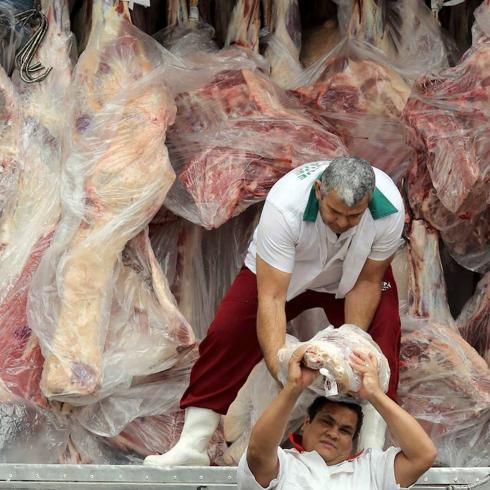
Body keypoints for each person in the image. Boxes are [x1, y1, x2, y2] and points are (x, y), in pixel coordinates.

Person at [144, 156, 405, 466]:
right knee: (228, 331)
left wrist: (351, 344)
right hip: (281, 274)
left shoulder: (390, 209)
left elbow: (368, 282)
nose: (343, 222)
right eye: (335, 212)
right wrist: (281, 368)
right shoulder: (285, 206)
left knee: (382, 336)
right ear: (319, 189)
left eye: (354, 216)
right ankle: (193, 444)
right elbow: (271, 297)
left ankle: (372, 452)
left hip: (356, 276)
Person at [238, 345, 437, 490]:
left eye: (345, 430)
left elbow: (423, 455)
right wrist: (294, 387)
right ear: (306, 424)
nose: (333, 434)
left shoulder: (372, 470)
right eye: (327, 421)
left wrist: (374, 394)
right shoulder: (284, 466)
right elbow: (257, 452)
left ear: (352, 442)